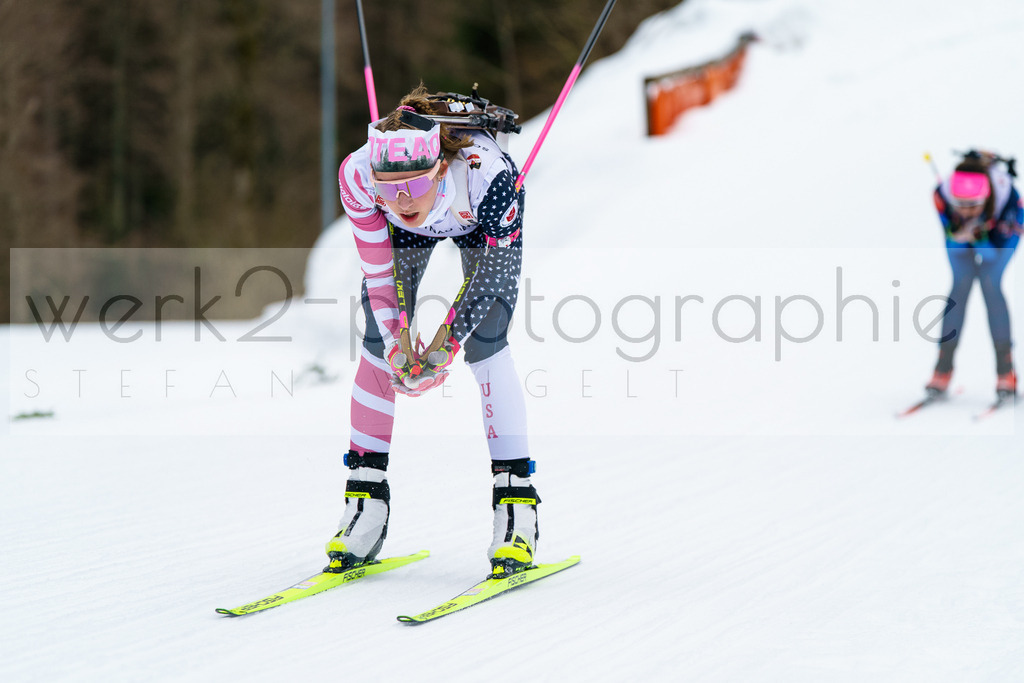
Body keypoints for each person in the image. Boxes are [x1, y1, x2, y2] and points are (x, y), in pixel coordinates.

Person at [329, 85, 537, 577]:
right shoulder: (358, 176)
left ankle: (516, 510)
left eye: (416, 184)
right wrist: (402, 346)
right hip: (405, 239)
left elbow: (489, 277)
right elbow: (379, 276)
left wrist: (441, 348)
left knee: (486, 342)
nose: (402, 198)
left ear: (441, 167)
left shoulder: (490, 178)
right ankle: (365, 502)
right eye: (390, 187)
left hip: (475, 224)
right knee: (380, 344)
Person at [925, 150, 1022, 400]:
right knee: (960, 285)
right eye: (961, 205)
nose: (966, 211)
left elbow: (991, 257)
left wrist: (979, 239)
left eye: (973, 205)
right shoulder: (942, 195)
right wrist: (958, 234)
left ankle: (1006, 370)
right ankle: (943, 367)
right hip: (972, 234)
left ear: (985, 198)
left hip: (1002, 234)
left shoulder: (1005, 201)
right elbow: (955, 246)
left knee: (990, 284)